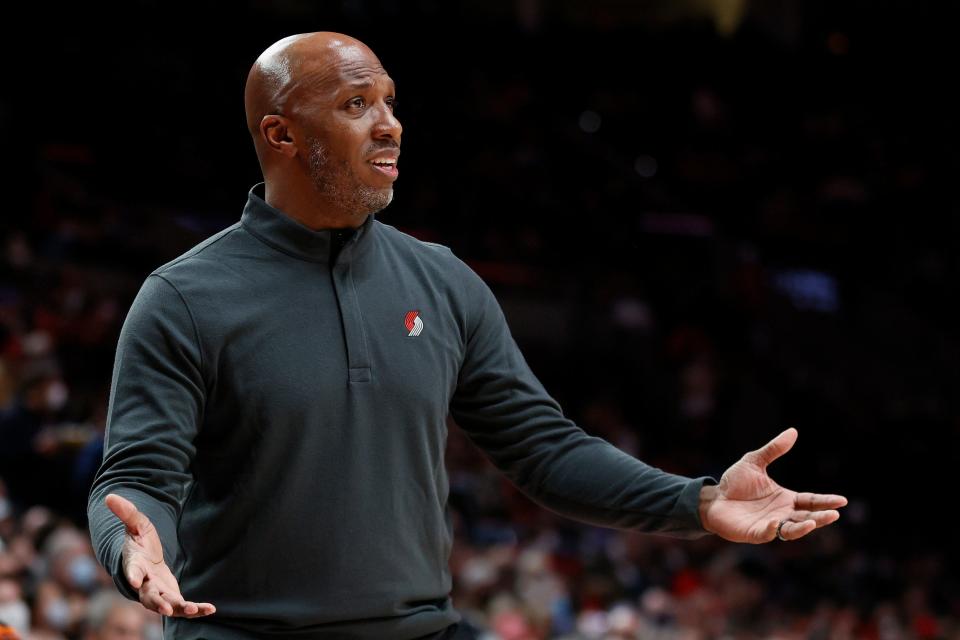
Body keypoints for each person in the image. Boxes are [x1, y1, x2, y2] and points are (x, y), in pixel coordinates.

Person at [86, 32, 847, 640]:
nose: (390, 123)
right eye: (356, 104)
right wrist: (134, 552)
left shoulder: (443, 281)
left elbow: (543, 450)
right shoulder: (184, 298)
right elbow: (137, 480)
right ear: (282, 134)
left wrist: (699, 501)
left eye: (388, 100)